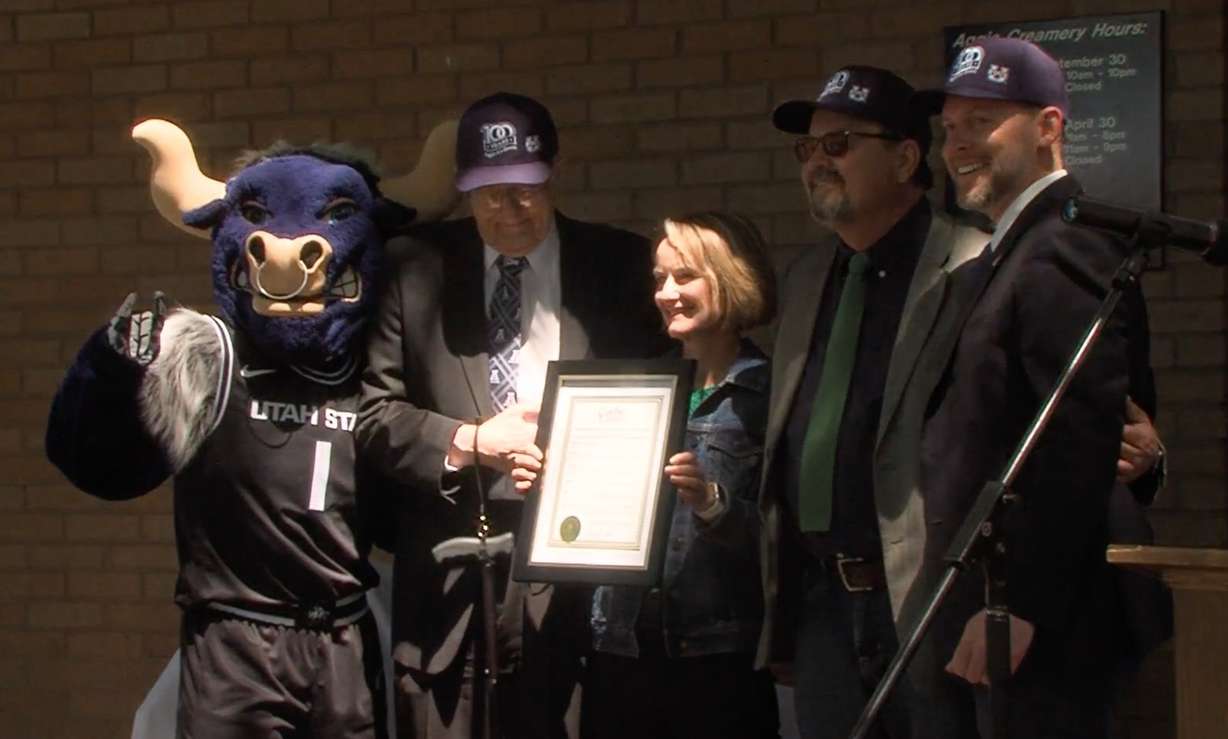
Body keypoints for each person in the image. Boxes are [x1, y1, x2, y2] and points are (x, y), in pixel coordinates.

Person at [44, 120, 457, 738]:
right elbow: (98, 465)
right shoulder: (210, 356)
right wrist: (111, 372)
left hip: (345, 635)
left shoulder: (373, 366)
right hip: (235, 643)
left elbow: (405, 508)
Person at [355, 91, 670, 739]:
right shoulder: (412, 270)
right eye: (489, 192)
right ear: (465, 189)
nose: (509, 208)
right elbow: (369, 413)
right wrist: (469, 439)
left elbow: (659, 401)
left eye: (525, 188)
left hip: (582, 579)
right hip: (448, 585)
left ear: (554, 170)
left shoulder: (622, 267)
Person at [911, 37, 1137, 737]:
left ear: (1048, 127)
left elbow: (1074, 436)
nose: (957, 144)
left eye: (982, 122)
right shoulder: (1011, 246)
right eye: (949, 128)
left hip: (1038, 618)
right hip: (994, 603)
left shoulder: (1063, 243)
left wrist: (1023, 605)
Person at [758, 66, 989, 739]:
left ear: (906, 156)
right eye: (808, 149)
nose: (816, 163)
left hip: (927, 597)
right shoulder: (806, 277)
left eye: (840, 145)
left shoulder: (974, 267)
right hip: (825, 603)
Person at [513, 211, 781, 738]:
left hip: (717, 657)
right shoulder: (632, 386)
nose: (666, 293)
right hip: (620, 647)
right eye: (660, 279)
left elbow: (784, 542)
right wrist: (551, 485)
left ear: (730, 279)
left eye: (684, 277)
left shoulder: (769, 394)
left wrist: (712, 503)